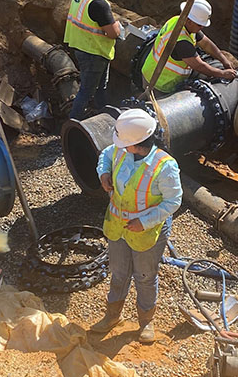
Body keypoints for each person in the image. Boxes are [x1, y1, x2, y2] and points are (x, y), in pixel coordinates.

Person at [89, 109, 182, 343]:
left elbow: (173, 201)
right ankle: (112, 317)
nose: (119, 145)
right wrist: (104, 173)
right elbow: (105, 155)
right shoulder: (121, 150)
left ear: (138, 144)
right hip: (118, 225)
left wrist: (145, 222)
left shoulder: (165, 166)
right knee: (119, 273)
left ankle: (146, 321)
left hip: (146, 231)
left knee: (144, 276)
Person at [141, 0, 237, 94]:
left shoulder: (179, 20)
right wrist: (222, 74)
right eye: (199, 25)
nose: (202, 27)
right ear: (189, 20)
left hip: (152, 71)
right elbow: (199, 66)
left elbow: (206, 43)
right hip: (159, 83)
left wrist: (224, 60)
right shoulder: (181, 42)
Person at [64, 0, 123, 120]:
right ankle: (73, 124)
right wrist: (117, 26)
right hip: (94, 52)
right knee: (86, 91)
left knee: (99, 88)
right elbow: (113, 33)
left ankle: (103, 116)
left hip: (81, 47)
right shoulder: (98, 3)